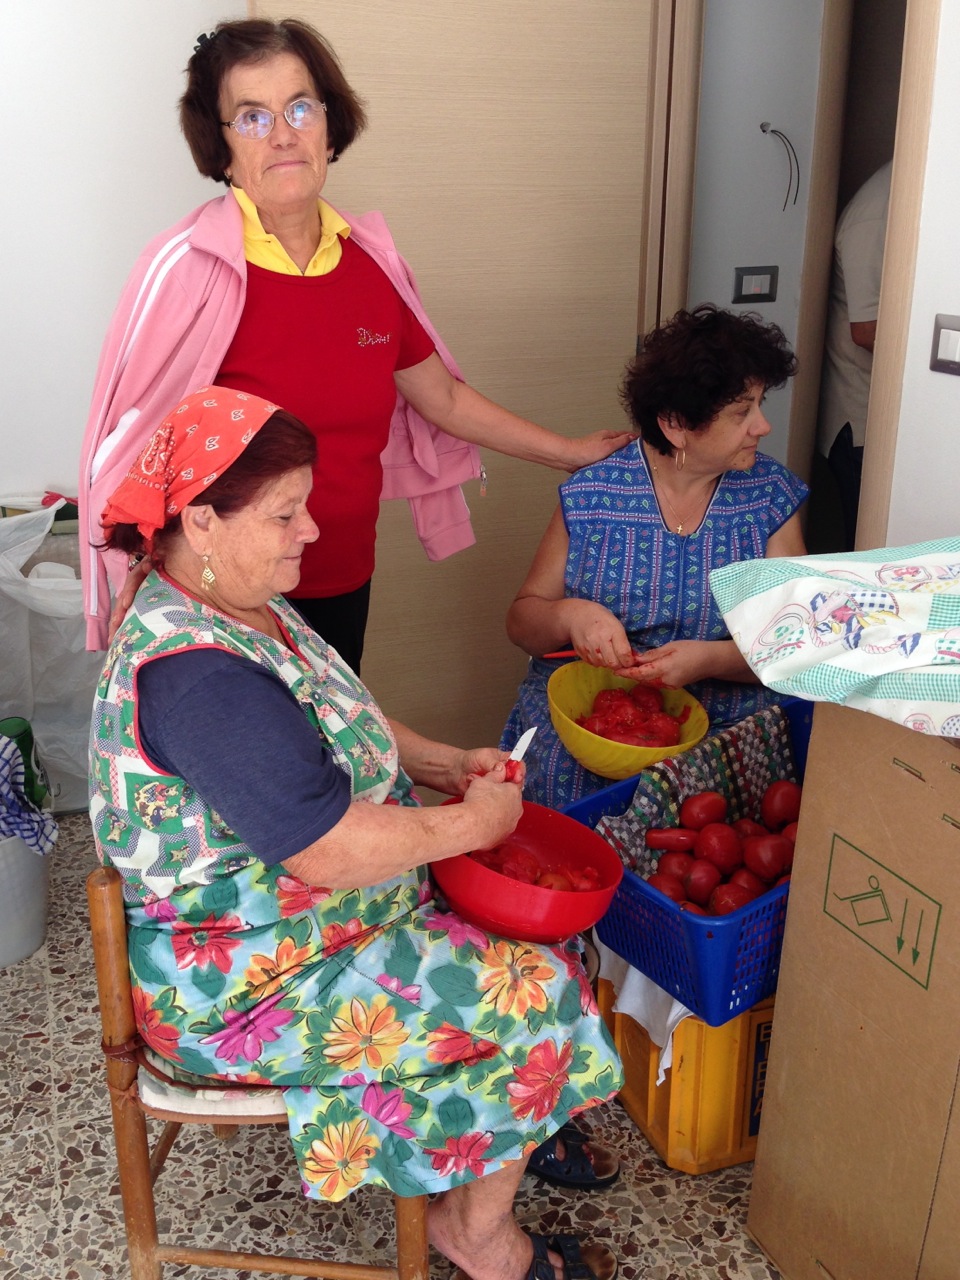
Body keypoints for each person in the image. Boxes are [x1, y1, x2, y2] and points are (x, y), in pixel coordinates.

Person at [88, 387, 623, 1280]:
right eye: (285, 514)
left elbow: (342, 714)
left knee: (558, 944)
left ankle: (510, 1126)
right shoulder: (197, 677)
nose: (311, 533)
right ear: (201, 521)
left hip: (319, 926)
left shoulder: (233, 598)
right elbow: (325, 850)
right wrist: (467, 824)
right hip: (248, 981)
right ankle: (480, 1233)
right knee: (540, 990)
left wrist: (448, 763)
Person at [78, 17, 631, 669]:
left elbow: (443, 398)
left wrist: (567, 453)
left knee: (341, 748)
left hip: (342, 577)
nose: (283, 135)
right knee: (264, 767)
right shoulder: (188, 269)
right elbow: (129, 446)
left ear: (329, 124)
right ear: (220, 146)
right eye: (252, 117)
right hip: (227, 599)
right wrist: (138, 570)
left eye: (299, 108)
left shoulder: (369, 265)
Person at [501, 304, 809, 810]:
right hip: (600, 722)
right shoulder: (593, 494)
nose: (763, 426)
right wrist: (569, 614)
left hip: (727, 723)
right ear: (675, 424)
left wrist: (713, 659)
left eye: (760, 404)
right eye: (742, 411)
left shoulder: (770, 496)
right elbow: (522, 623)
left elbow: (797, 644)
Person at [815, 160, 892, 552]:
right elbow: (867, 329)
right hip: (861, 419)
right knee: (872, 551)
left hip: (886, 413)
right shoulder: (878, 211)